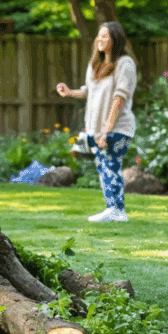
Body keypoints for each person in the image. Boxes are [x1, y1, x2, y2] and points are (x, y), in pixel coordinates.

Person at [55, 22, 137, 222]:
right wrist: (70, 92)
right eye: (98, 36)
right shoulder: (96, 65)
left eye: (105, 36)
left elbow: (120, 97)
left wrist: (106, 130)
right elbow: (89, 91)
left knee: (110, 166)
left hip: (116, 128)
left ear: (115, 40)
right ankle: (113, 209)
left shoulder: (125, 63)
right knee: (104, 167)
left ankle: (117, 210)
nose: (100, 40)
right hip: (97, 130)